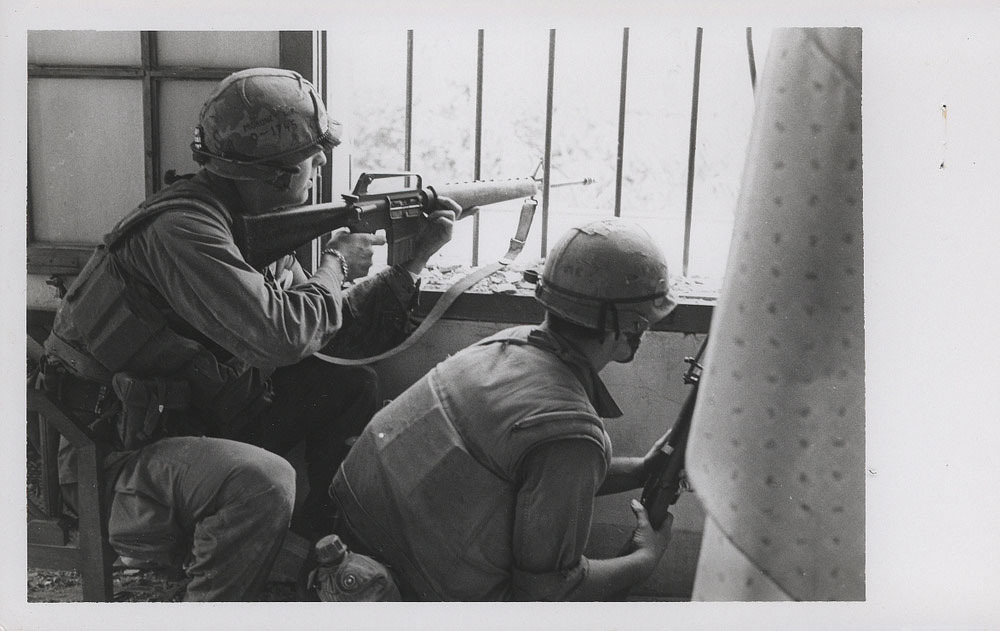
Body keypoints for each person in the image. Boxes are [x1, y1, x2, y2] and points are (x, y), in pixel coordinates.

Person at [39, 67, 457, 601]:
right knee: (263, 481)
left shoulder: (248, 222)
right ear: (274, 174)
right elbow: (280, 336)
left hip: (182, 424)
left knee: (351, 386)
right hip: (106, 461)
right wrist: (335, 262)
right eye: (311, 155)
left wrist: (412, 264)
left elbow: (325, 334)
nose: (323, 162)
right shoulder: (183, 231)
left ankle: (316, 555)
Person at [330, 218, 681, 601]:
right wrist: (646, 559)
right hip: (412, 594)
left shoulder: (508, 345)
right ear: (633, 328)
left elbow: (531, 477)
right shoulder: (572, 434)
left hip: (353, 539)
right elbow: (546, 592)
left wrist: (643, 470)